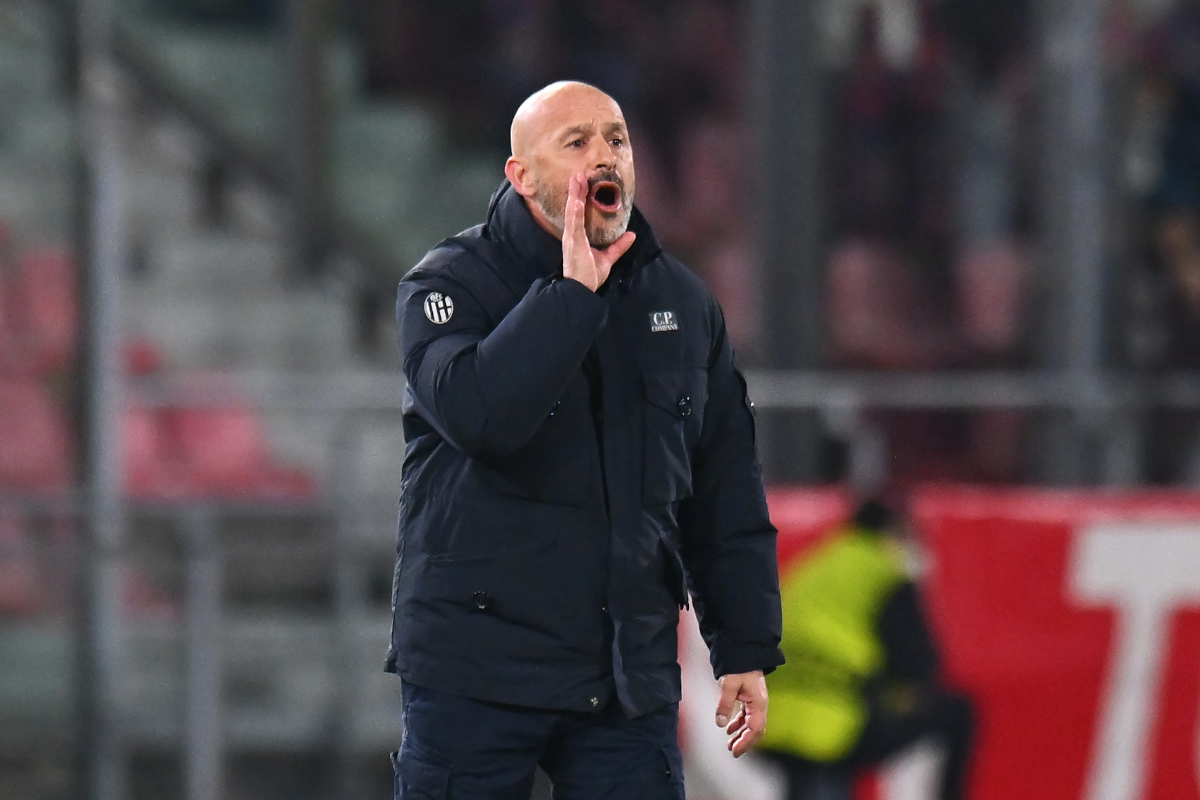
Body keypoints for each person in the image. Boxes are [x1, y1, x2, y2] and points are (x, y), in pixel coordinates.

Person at [387, 81, 784, 800]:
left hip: (622, 678)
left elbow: (723, 485)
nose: (605, 156)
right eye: (577, 143)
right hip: (477, 675)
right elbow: (482, 416)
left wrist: (744, 645)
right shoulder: (447, 287)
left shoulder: (681, 304)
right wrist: (570, 298)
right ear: (521, 174)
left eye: (617, 139)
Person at [758, 500, 974, 800]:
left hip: (773, 719)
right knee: (958, 712)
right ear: (893, 531)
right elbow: (917, 661)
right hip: (835, 719)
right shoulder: (883, 573)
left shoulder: (813, 565)